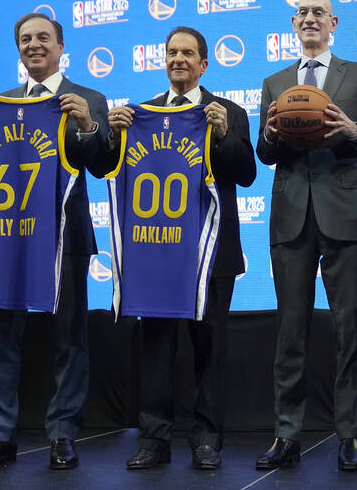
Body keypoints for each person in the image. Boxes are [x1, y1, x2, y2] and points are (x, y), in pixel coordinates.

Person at [0, 13, 112, 469]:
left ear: (61, 46)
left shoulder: (88, 98)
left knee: (69, 338)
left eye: (43, 37)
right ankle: (0, 434)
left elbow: (103, 164)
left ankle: (63, 435)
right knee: (1, 337)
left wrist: (88, 126)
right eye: (26, 39)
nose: (34, 45)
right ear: (19, 49)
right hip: (7, 236)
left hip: (64, 236)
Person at [108, 26, 256, 470]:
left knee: (209, 345)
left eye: (188, 53)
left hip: (212, 253)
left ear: (203, 64)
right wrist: (113, 136)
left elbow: (246, 173)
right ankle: (154, 438)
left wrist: (224, 135)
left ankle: (207, 439)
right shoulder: (141, 114)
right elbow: (110, 169)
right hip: (157, 251)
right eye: (172, 52)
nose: (179, 59)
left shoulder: (229, 112)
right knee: (155, 347)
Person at [254, 0, 357, 472]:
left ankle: (349, 434)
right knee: (290, 331)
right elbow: (264, 154)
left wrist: (352, 129)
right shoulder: (274, 83)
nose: (310, 18)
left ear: (334, 23)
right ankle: (286, 434)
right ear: (294, 24)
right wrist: (271, 133)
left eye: (319, 13)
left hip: (345, 213)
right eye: (302, 13)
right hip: (290, 216)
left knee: (350, 329)